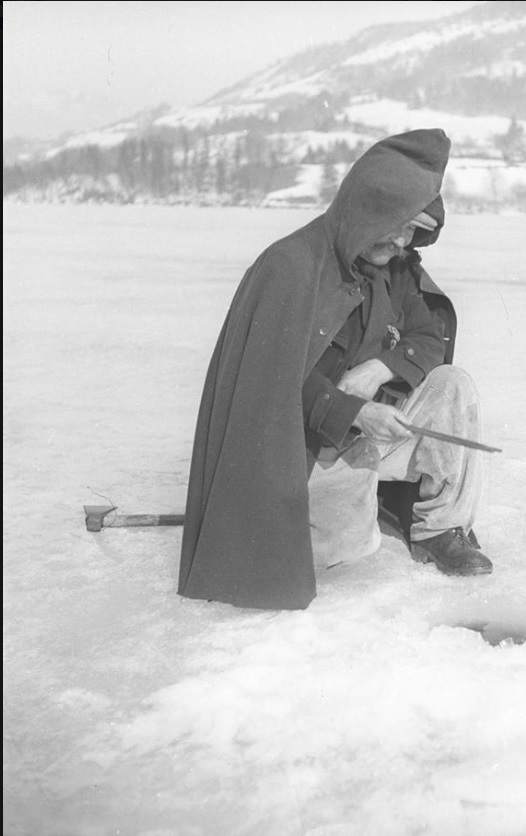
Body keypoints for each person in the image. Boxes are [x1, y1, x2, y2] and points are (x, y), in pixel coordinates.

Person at [178, 128, 493, 610]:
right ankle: (367, 508)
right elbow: (268, 386)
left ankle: (440, 528)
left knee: (454, 386)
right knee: (344, 552)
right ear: (371, 208)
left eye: (414, 230)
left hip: (376, 433)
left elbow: (428, 337)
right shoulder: (292, 265)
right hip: (306, 444)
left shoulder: (395, 266)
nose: (404, 240)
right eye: (399, 225)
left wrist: (379, 370)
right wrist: (352, 411)